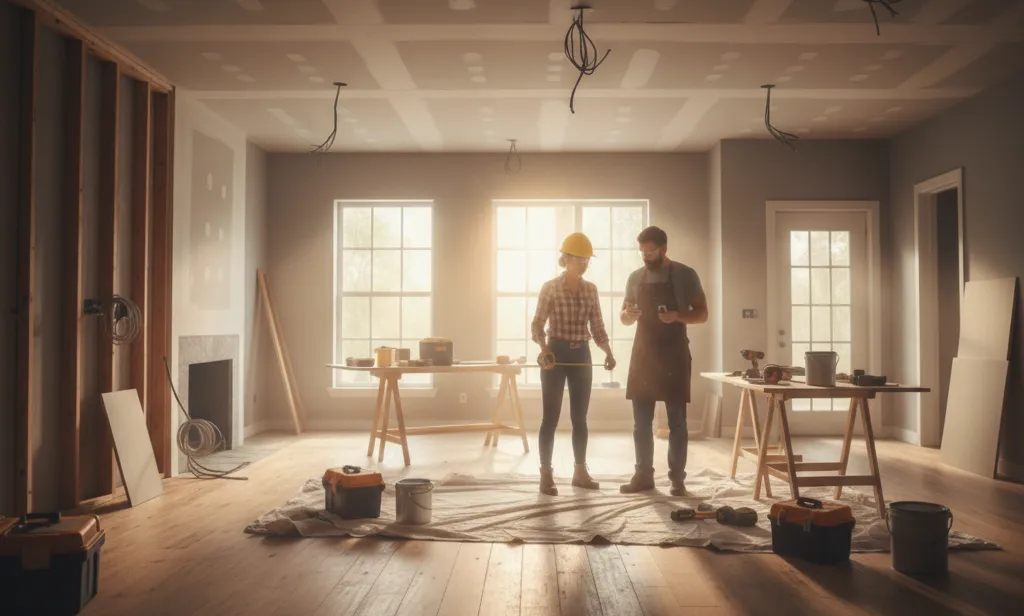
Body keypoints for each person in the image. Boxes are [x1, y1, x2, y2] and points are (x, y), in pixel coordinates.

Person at [619, 226, 708, 496]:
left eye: (650, 251)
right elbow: (623, 317)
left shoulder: (685, 275)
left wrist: (677, 316)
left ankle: (677, 479)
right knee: (641, 424)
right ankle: (643, 476)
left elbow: (702, 314)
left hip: (674, 354)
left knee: (677, 423)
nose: (645, 256)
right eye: (642, 252)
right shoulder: (635, 278)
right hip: (643, 356)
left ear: (664, 249)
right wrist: (629, 315)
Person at [531, 232, 616, 496]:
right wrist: (544, 348)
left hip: (582, 356)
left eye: (587, 259)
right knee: (550, 418)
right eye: (580, 259)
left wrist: (608, 352)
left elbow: (597, 327)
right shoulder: (550, 287)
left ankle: (580, 472)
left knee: (580, 418)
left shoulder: (591, 290)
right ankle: (546, 474)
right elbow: (537, 325)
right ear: (566, 259)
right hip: (555, 355)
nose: (584, 264)